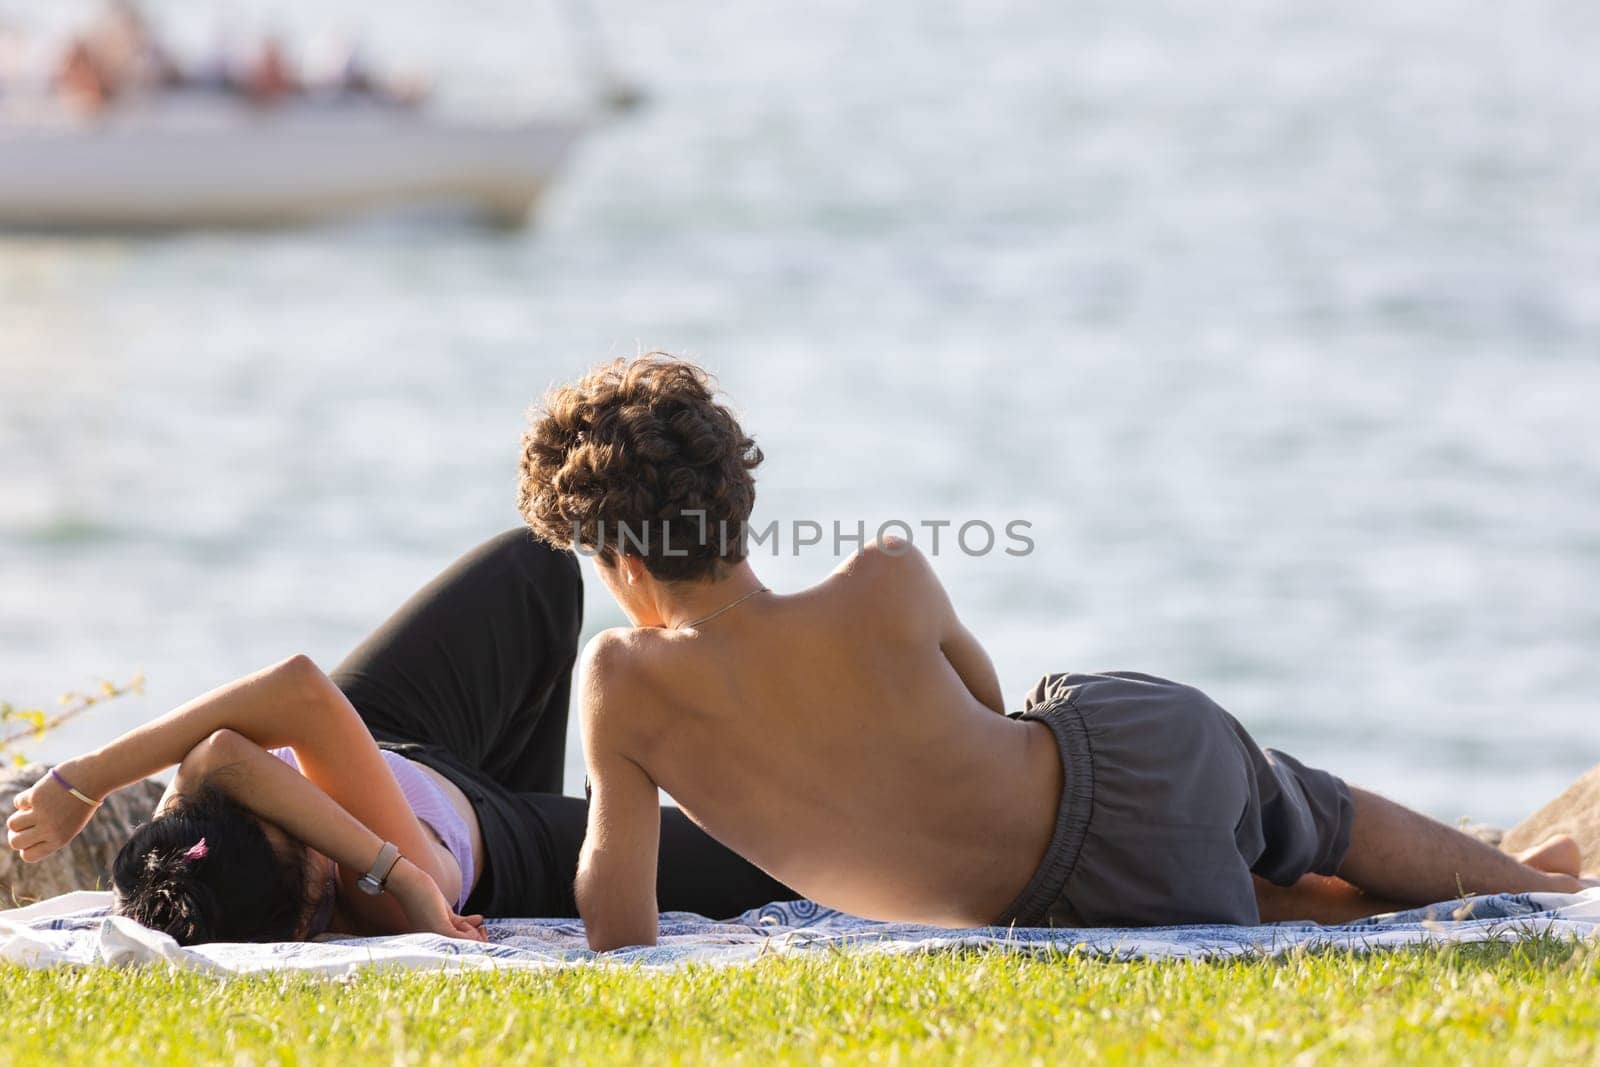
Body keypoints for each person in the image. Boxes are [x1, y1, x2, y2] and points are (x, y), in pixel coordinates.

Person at [515, 354, 1596, 951]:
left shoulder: (624, 683)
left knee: (1272, 890)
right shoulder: (883, 580)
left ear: (619, 564)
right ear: (738, 502)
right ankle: (1519, 877)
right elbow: (988, 709)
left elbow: (615, 901)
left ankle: (1503, 880)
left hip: (1051, 893)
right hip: (1123, 760)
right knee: (1307, 813)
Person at [6, 531, 793, 946]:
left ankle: (534, 773)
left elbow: (220, 754)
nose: (306, 813)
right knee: (776, 861)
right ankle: (561, 802)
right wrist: (399, 874)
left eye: (274, 816)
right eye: (306, 848)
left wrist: (84, 778)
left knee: (539, 566)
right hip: (508, 843)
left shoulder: (195, 845)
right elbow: (290, 697)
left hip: (392, 725)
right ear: (308, 912)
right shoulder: (384, 895)